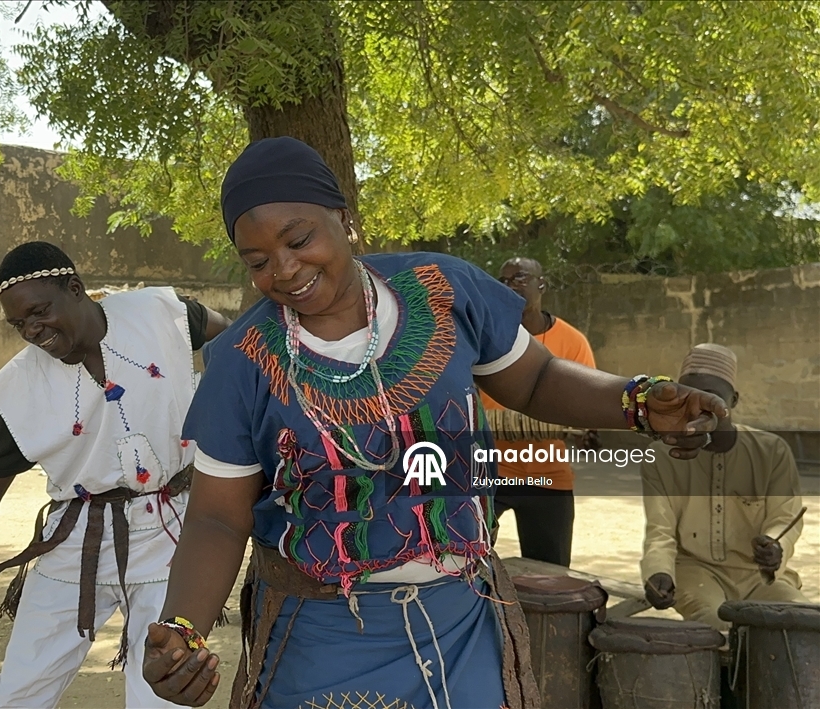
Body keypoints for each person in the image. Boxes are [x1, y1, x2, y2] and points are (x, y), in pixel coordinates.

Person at [138, 137, 728, 709]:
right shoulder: (244, 359)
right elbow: (218, 516)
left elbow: (538, 380)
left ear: (343, 218)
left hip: (461, 619)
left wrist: (637, 403)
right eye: (259, 262)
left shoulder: (443, 290)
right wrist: (183, 628)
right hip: (320, 635)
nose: (286, 270)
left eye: (299, 240)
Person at [0, 242, 230, 708]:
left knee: (163, 693)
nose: (32, 332)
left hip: (169, 536)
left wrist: (226, 411)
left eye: (39, 313)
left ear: (74, 289)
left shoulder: (161, 314)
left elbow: (234, 340)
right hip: (75, 542)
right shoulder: (20, 389)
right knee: (20, 688)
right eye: (19, 324)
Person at [641, 343, 808, 632]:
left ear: (734, 400)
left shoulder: (772, 452)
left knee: (802, 624)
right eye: (688, 397)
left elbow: (785, 517)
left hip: (760, 576)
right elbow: (660, 531)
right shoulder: (661, 456)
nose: (698, 407)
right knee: (713, 624)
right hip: (696, 572)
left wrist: (775, 545)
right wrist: (659, 572)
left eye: (712, 398)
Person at [481, 257, 598, 567]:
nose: (510, 287)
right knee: (466, 561)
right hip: (493, 472)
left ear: (541, 285)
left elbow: (584, 404)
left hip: (549, 475)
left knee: (552, 573)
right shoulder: (485, 338)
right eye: (503, 281)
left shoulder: (572, 342)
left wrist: (587, 428)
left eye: (520, 278)